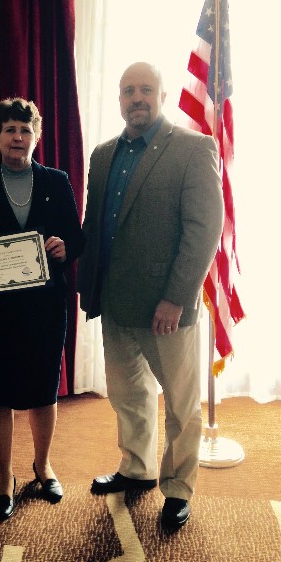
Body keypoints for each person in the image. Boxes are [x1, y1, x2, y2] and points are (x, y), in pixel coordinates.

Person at [77, 62, 223, 530]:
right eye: (127, 91)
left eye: (145, 90)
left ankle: (178, 488)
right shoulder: (103, 156)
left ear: (160, 95)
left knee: (181, 405)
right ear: (119, 99)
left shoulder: (193, 149)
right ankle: (136, 468)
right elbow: (94, 227)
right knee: (128, 394)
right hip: (116, 303)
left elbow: (204, 232)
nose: (136, 98)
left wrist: (177, 298)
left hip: (167, 308)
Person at [0, 98, 84, 521]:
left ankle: (42, 466)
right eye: (10, 130)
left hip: (44, 305)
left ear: (36, 137)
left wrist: (64, 247)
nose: (18, 138)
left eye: (25, 131)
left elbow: (76, 239)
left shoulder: (57, 181)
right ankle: (5, 477)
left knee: (43, 390)